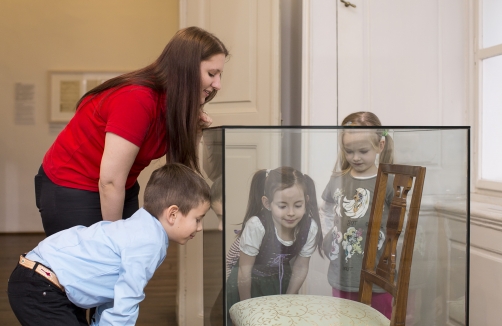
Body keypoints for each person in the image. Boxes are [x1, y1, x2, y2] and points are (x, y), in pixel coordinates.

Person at [35, 26, 229, 237]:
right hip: (72, 186)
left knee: (122, 258)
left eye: (220, 75)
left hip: (121, 185)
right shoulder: (137, 99)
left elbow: (181, 167)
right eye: (212, 74)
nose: (217, 84)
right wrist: (116, 242)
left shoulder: (172, 105)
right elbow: (109, 181)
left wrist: (195, 130)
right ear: (185, 68)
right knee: (97, 261)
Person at [8, 163, 211, 326]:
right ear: (173, 214)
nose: (200, 227)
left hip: (38, 280)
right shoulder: (148, 243)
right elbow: (127, 299)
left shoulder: (139, 229)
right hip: (40, 288)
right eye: (198, 218)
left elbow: (114, 292)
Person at [320, 111, 395, 318]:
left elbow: (399, 224)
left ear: (380, 146)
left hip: (378, 276)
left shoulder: (387, 182)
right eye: (349, 151)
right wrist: (328, 238)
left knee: (377, 320)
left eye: (363, 150)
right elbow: (326, 209)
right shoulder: (337, 180)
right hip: (343, 274)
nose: (355, 157)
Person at [226, 167, 324, 315]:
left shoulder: (310, 228)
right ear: (267, 203)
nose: (291, 213)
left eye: (298, 205)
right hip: (247, 283)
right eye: (282, 206)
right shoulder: (257, 226)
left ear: (306, 201)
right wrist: (245, 308)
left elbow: (301, 267)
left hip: (279, 280)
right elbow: (244, 270)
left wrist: (288, 299)